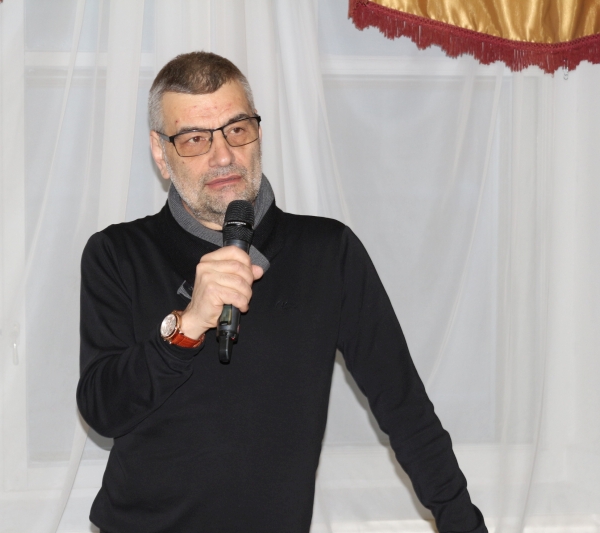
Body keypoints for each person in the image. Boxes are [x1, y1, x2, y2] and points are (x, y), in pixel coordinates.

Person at [77, 51, 487, 533]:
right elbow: (102, 410)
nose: (223, 155)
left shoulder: (328, 252)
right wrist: (187, 326)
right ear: (160, 153)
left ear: (258, 132)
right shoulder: (117, 253)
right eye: (195, 139)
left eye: (237, 129)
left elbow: (405, 409)